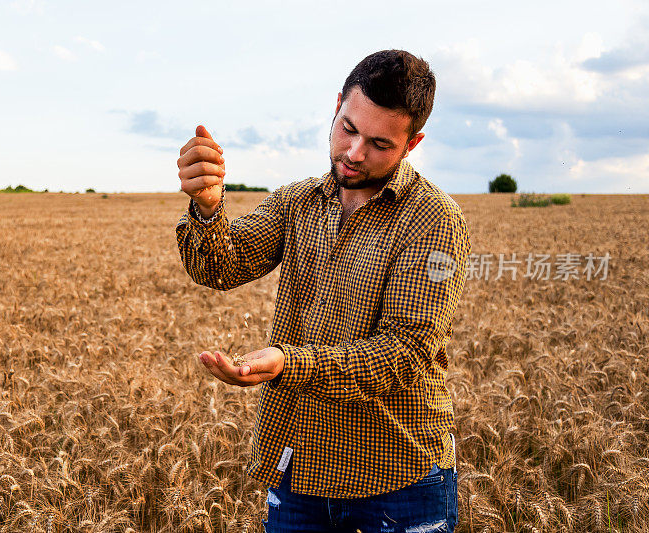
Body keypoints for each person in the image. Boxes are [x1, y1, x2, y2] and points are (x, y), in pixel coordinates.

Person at [175, 49, 470, 533]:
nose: (354, 153)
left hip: (399, 482)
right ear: (337, 106)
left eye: (379, 143)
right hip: (301, 472)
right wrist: (208, 207)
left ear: (412, 142)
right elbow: (222, 266)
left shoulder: (433, 220)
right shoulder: (298, 201)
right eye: (348, 128)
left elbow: (405, 352)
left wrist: (289, 363)